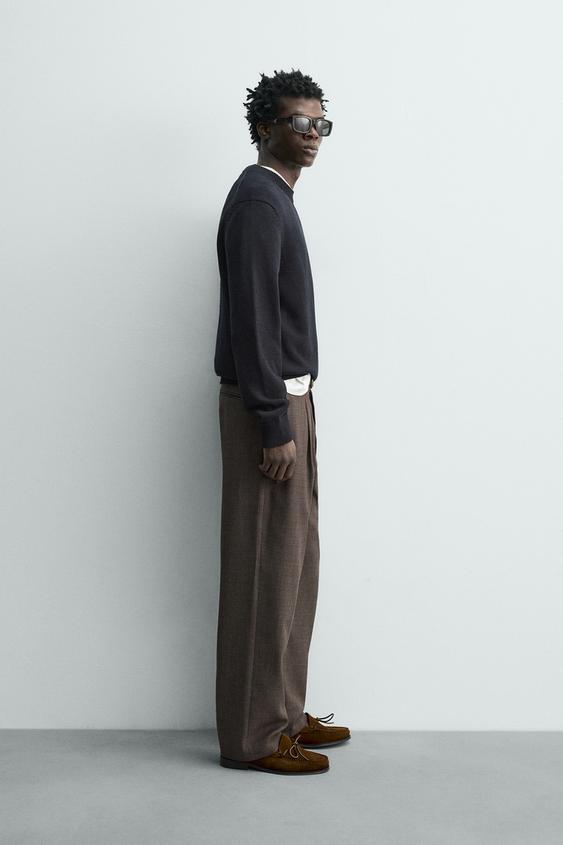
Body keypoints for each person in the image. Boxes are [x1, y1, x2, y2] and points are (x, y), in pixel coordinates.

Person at [213, 69, 350, 775]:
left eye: (321, 123)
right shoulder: (258, 201)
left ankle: (286, 714)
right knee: (264, 568)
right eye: (299, 122)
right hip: (267, 405)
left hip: (290, 398)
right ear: (265, 126)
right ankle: (254, 737)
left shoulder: (275, 198)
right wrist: (272, 420)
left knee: (295, 564)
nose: (312, 134)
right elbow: (253, 317)